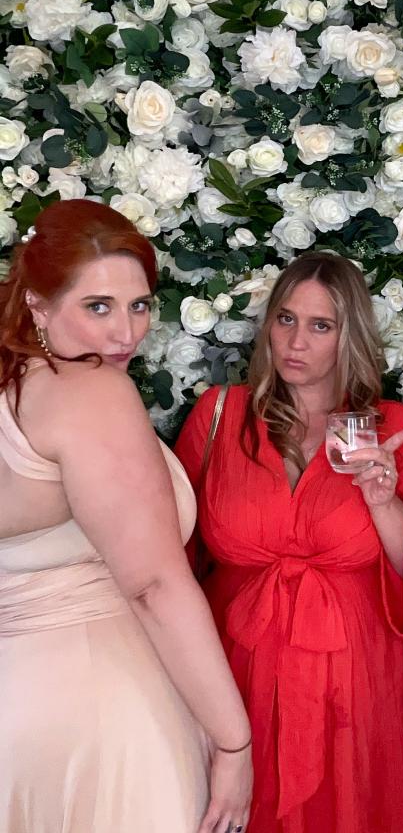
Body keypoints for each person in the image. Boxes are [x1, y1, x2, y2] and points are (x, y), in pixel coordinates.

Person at [175, 250, 403, 833]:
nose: (296, 341)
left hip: (355, 685)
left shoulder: (393, 428)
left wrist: (384, 501)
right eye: (286, 319)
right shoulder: (220, 416)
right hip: (233, 677)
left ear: (348, 336)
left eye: (320, 325)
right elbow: (171, 554)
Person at [0, 199, 253, 833]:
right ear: (38, 304)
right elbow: (154, 585)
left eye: (138, 305)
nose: (126, 333)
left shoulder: (15, 389)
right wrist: (234, 743)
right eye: (98, 307)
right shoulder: (91, 394)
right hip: (103, 706)